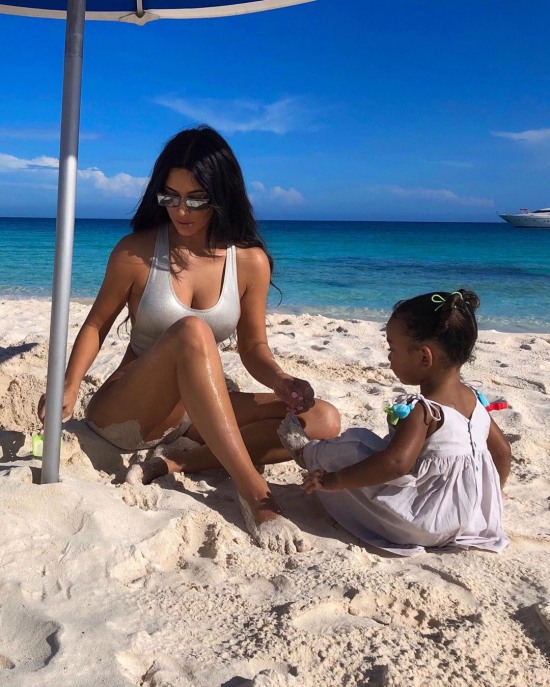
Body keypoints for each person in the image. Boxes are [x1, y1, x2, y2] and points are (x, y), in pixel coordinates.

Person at [38, 125, 340, 553]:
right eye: (170, 197)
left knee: (323, 419)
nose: (181, 210)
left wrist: (280, 380)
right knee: (193, 330)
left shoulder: (249, 262)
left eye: (196, 198)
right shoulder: (136, 252)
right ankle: (254, 493)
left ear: (222, 195)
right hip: (129, 412)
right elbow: (96, 325)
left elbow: (254, 348)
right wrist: (69, 385)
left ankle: (180, 460)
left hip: (195, 416)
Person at [278, 289, 511, 556]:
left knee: (355, 446)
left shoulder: (426, 411)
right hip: (472, 521)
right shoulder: (475, 402)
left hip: (422, 524)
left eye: (393, 349)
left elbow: (397, 463)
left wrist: (334, 481)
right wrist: (492, 495)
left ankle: (308, 454)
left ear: (424, 357)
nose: (389, 357)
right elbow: (503, 451)